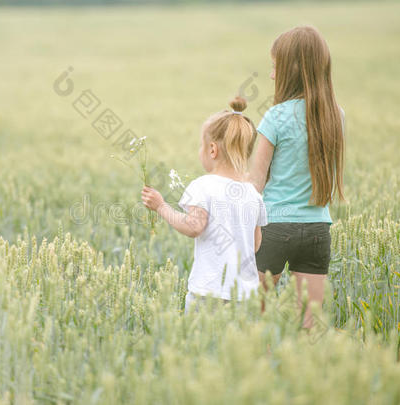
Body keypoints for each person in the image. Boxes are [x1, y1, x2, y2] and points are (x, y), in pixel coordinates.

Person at [249, 26, 345, 328]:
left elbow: (255, 185)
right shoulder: (335, 115)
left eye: (275, 67)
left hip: (275, 227)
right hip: (318, 230)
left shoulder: (275, 116)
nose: (271, 75)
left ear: (292, 69)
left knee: (257, 321)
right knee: (310, 327)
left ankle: (263, 371)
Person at [141, 96, 268, 314]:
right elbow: (256, 244)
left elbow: (193, 227)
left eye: (201, 145)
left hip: (209, 293)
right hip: (246, 296)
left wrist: (161, 207)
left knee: (202, 346)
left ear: (212, 150)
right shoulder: (252, 193)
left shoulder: (203, 186)